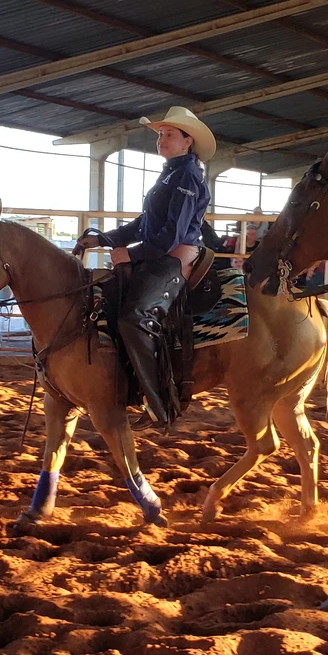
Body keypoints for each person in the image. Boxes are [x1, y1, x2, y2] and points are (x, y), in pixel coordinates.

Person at [74, 106, 216, 426]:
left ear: (187, 141)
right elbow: (144, 224)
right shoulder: (171, 173)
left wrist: (131, 255)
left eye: (169, 135)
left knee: (133, 318)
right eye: (160, 135)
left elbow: (172, 234)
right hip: (158, 254)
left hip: (173, 258)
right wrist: (105, 240)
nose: (161, 140)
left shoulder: (187, 176)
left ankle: (160, 403)